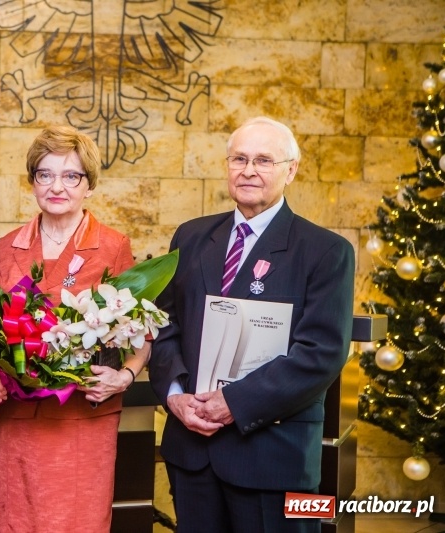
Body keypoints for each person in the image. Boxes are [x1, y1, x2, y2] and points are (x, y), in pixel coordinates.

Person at [149, 116, 355, 533]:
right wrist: (174, 394)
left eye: (263, 160)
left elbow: (321, 354)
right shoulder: (189, 237)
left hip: (275, 458)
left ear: (290, 170)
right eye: (239, 158)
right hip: (193, 451)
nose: (248, 170)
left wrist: (234, 403)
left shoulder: (326, 251)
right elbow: (163, 323)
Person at [0, 125, 151, 532]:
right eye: (45, 174)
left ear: (89, 185)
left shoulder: (112, 246)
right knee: (17, 520)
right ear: (33, 181)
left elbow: (141, 333)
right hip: (18, 414)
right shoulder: (8, 246)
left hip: (82, 415)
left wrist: (124, 376)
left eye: (71, 176)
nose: (58, 186)